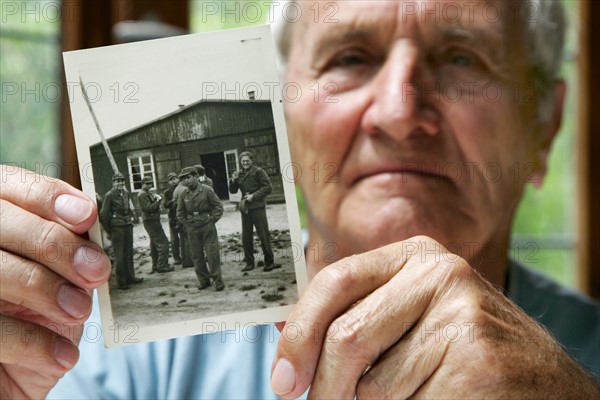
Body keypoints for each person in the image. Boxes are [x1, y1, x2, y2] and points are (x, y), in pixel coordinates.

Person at [1, 1, 599, 399]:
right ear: (280, 113)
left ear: (544, 124)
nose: (398, 112)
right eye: (351, 58)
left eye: (462, 58)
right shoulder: (104, 362)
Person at [177, 166, 225, 291]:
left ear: (196, 177)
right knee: (197, 256)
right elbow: (180, 213)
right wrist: (187, 224)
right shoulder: (183, 194)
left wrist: (212, 220)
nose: (186, 181)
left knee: (212, 254)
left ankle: (217, 280)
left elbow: (218, 206)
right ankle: (204, 281)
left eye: (188, 177)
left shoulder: (207, 190)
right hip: (193, 228)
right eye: (184, 179)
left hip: (207, 226)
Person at [228, 151, 276, 272]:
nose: (245, 163)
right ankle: (249, 263)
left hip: (258, 207)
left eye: (247, 161)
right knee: (246, 236)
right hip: (246, 208)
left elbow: (268, 188)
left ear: (251, 161)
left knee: (263, 235)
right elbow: (233, 191)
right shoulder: (239, 174)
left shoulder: (259, 172)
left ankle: (269, 262)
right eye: (243, 161)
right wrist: (233, 180)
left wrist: (254, 196)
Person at [99, 172, 142, 290]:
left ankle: (131, 277)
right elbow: (103, 214)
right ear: (113, 183)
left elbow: (128, 208)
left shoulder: (126, 193)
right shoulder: (109, 195)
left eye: (122, 181)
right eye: (117, 181)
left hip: (127, 225)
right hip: (117, 228)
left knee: (128, 253)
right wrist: (109, 231)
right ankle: (122, 281)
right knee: (120, 255)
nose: (120, 183)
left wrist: (132, 219)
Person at [138, 176, 173, 274]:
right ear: (143, 184)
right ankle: (162, 266)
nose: (149, 185)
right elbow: (148, 208)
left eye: (150, 183)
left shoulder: (146, 193)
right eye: (147, 183)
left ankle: (156, 265)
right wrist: (158, 201)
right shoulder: (142, 194)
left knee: (154, 244)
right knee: (163, 243)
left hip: (152, 220)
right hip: (151, 221)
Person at [162, 172, 183, 265]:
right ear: (168, 182)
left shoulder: (182, 189)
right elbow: (165, 204)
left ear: (178, 179)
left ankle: (186, 256)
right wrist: (172, 202)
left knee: (184, 236)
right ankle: (176, 257)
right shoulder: (167, 192)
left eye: (175, 178)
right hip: (172, 216)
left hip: (182, 216)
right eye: (171, 180)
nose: (173, 181)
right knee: (174, 239)